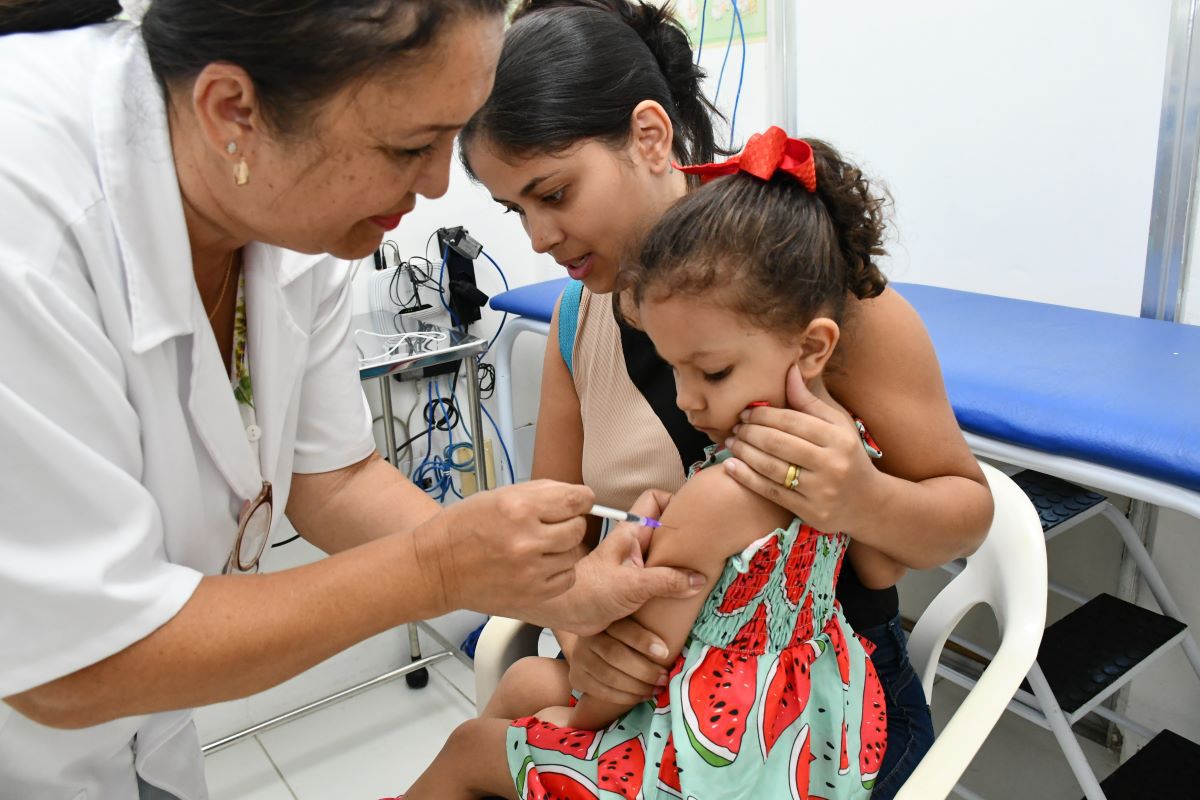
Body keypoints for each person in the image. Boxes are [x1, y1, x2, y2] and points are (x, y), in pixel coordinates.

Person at [0, 3, 706, 798]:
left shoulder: (288, 212)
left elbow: (330, 476)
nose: (438, 185)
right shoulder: (25, 227)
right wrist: (441, 568)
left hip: (131, 740)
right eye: (410, 146)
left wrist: (555, 593)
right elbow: (72, 663)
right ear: (234, 112)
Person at [458, 2, 995, 795]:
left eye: (556, 194)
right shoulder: (578, 315)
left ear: (649, 136)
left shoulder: (813, 297)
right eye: (517, 210)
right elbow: (558, 531)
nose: (537, 237)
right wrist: (580, 631)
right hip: (650, 692)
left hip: (812, 717)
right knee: (510, 709)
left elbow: (966, 512)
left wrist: (863, 497)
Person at [398, 130, 900, 800]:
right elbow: (882, 566)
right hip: (810, 742)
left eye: (712, 372)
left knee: (470, 748)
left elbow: (630, 669)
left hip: (698, 764)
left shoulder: (714, 498)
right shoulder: (850, 443)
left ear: (812, 346)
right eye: (674, 370)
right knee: (523, 681)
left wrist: (571, 723)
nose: (689, 401)